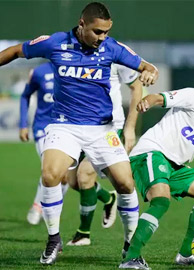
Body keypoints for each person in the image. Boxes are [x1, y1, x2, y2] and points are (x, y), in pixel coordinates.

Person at [0, 2, 159, 265]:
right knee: (50, 174)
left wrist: (149, 72)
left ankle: (131, 250)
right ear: (82, 25)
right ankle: (54, 240)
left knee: (125, 183)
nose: (102, 38)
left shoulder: (111, 47)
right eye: (97, 32)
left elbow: (147, 67)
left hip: (102, 129)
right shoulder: (55, 43)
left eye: (106, 32)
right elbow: (15, 51)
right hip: (63, 125)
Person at [119, 71, 194, 270]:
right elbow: (159, 97)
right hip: (151, 152)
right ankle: (130, 259)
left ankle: (185, 255)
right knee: (161, 200)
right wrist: (147, 101)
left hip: (175, 167)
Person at [64, 63, 144, 246]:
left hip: (107, 128)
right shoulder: (74, 53)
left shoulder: (116, 55)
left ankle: (83, 233)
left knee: (85, 175)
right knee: (72, 181)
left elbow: (137, 86)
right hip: (77, 126)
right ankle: (109, 199)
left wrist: (130, 127)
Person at [18, 62, 69, 225]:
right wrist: (23, 124)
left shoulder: (73, 68)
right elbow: (25, 95)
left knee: (65, 176)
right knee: (50, 169)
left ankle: (48, 206)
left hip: (67, 128)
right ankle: (38, 206)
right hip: (43, 128)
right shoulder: (39, 72)